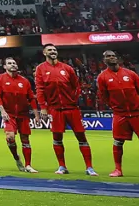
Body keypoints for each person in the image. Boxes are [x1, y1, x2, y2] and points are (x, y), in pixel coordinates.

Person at [35, 44, 96, 176]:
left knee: (81, 136)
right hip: (55, 109)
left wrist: (73, 100)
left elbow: (76, 86)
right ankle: (62, 166)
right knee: (57, 138)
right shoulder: (40, 69)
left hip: (71, 108)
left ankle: (89, 167)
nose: (53, 52)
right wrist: (43, 108)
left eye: (54, 50)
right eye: (50, 50)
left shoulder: (67, 68)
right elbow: (40, 89)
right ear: (44, 53)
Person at [96, 50, 139, 178]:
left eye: (113, 56)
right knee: (118, 141)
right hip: (120, 114)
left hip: (137, 113)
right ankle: (118, 170)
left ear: (117, 59)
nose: (111, 58)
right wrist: (115, 106)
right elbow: (104, 96)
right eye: (108, 56)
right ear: (104, 60)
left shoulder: (130, 73)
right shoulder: (102, 77)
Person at [0, 56, 38, 173]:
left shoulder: (24, 81)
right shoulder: (0, 79)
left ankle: (28, 165)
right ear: (5, 66)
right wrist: (2, 111)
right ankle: (17, 158)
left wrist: (36, 115)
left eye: (14, 63)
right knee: (10, 137)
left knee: (25, 139)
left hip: (23, 114)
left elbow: (31, 98)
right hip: (9, 114)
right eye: (9, 63)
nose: (13, 65)